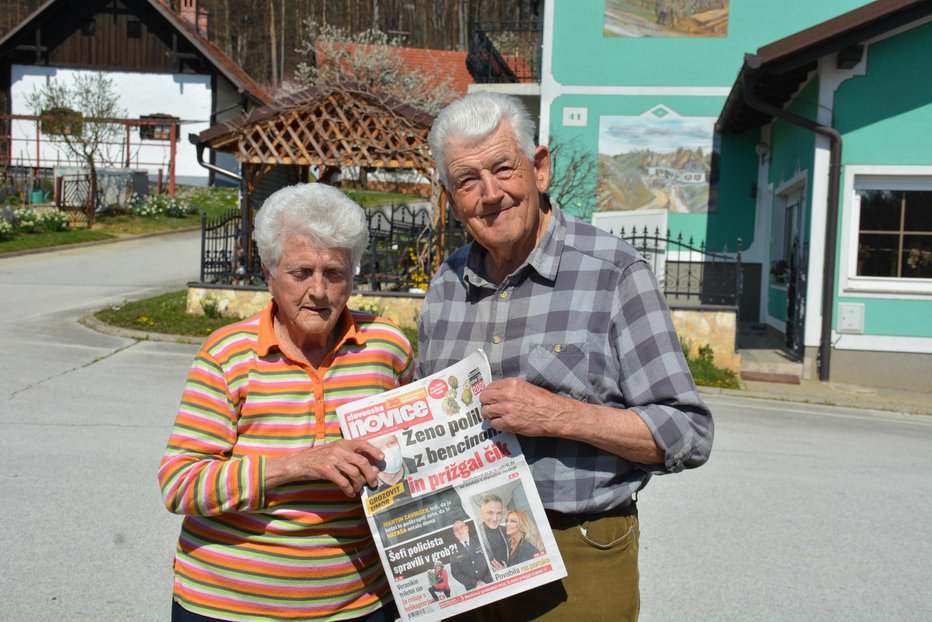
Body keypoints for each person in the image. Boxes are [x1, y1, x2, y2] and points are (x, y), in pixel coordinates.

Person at [419, 92, 713, 621]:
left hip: (577, 554)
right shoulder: (446, 283)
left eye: (503, 168)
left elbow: (687, 432)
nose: (490, 194)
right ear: (449, 196)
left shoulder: (615, 273)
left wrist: (561, 415)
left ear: (540, 168)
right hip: (464, 551)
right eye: (467, 181)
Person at [158, 183, 415, 622]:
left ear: (353, 275)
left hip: (358, 605)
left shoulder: (387, 347)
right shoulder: (227, 354)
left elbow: (419, 452)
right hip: (225, 605)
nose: (319, 291)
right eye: (301, 273)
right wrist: (299, 464)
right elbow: (180, 484)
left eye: (334, 273)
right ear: (268, 272)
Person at [449, 520, 493, 591]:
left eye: (461, 527)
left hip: (490, 583)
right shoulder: (453, 551)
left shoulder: (480, 541)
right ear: (454, 534)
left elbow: (491, 560)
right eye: (456, 529)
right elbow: (455, 573)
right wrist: (475, 583)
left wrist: (486, 580)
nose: (459, 530)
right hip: (473, 589)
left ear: (467, 528)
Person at [476, 494, 509, 570]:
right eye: (490, 513)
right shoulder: (475, 536)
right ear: (482, 512)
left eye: (499, 513)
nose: (495, 519)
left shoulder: (506, 530)